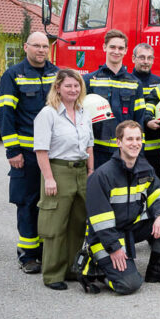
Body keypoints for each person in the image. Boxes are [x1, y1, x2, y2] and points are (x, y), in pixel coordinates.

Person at [84, 120, 160, 295]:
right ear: (118, 142)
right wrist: (114, 248)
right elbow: (101, 221)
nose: (135, 143)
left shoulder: (144, 168)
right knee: (129, 285)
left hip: (130, 228)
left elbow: (158, 192)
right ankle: (99, 270)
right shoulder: (102, 175)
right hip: (106, 238)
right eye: (129, 139)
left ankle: (157, 269)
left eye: (138, 139)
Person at [0, 31, 58, 274]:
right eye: (36, 46)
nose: (41, 50)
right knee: (27, 202)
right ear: (26, 47)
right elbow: (6, 115)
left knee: (50, 203)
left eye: (45, 46)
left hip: (53, 153)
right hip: (26, 153)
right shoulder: (13, 75)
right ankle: (28, 254)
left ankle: (46, 249)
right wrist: (12, 151)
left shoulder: (57, 73)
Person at [33, 69, 94, 290]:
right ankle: (52, 274)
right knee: (56, 225)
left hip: (81, 171)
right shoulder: (48, 114)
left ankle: (71, 269)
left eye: (76, 86)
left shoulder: (84, 112)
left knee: (78, 223)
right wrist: (49, 178)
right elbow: (41, 150)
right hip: (58, 170)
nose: (73, 90)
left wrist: (90, 171)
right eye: (68, 86)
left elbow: (90, 145)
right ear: (57, 87)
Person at [83, 29, 145, 169]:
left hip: (125, 151)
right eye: (112, 47)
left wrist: (139, 153)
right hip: (97, 151)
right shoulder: (89, 80)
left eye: (120, 48)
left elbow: (139, 120)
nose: (116, 51)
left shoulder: (135, 83)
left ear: (126, 51)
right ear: (104, 47)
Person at [131, 43, 160, 179]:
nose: (146, 62)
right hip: (132, 146)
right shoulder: (127, 81)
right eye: (142, 57)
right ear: (134, 59)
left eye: (149, 58)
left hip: (154, 148)